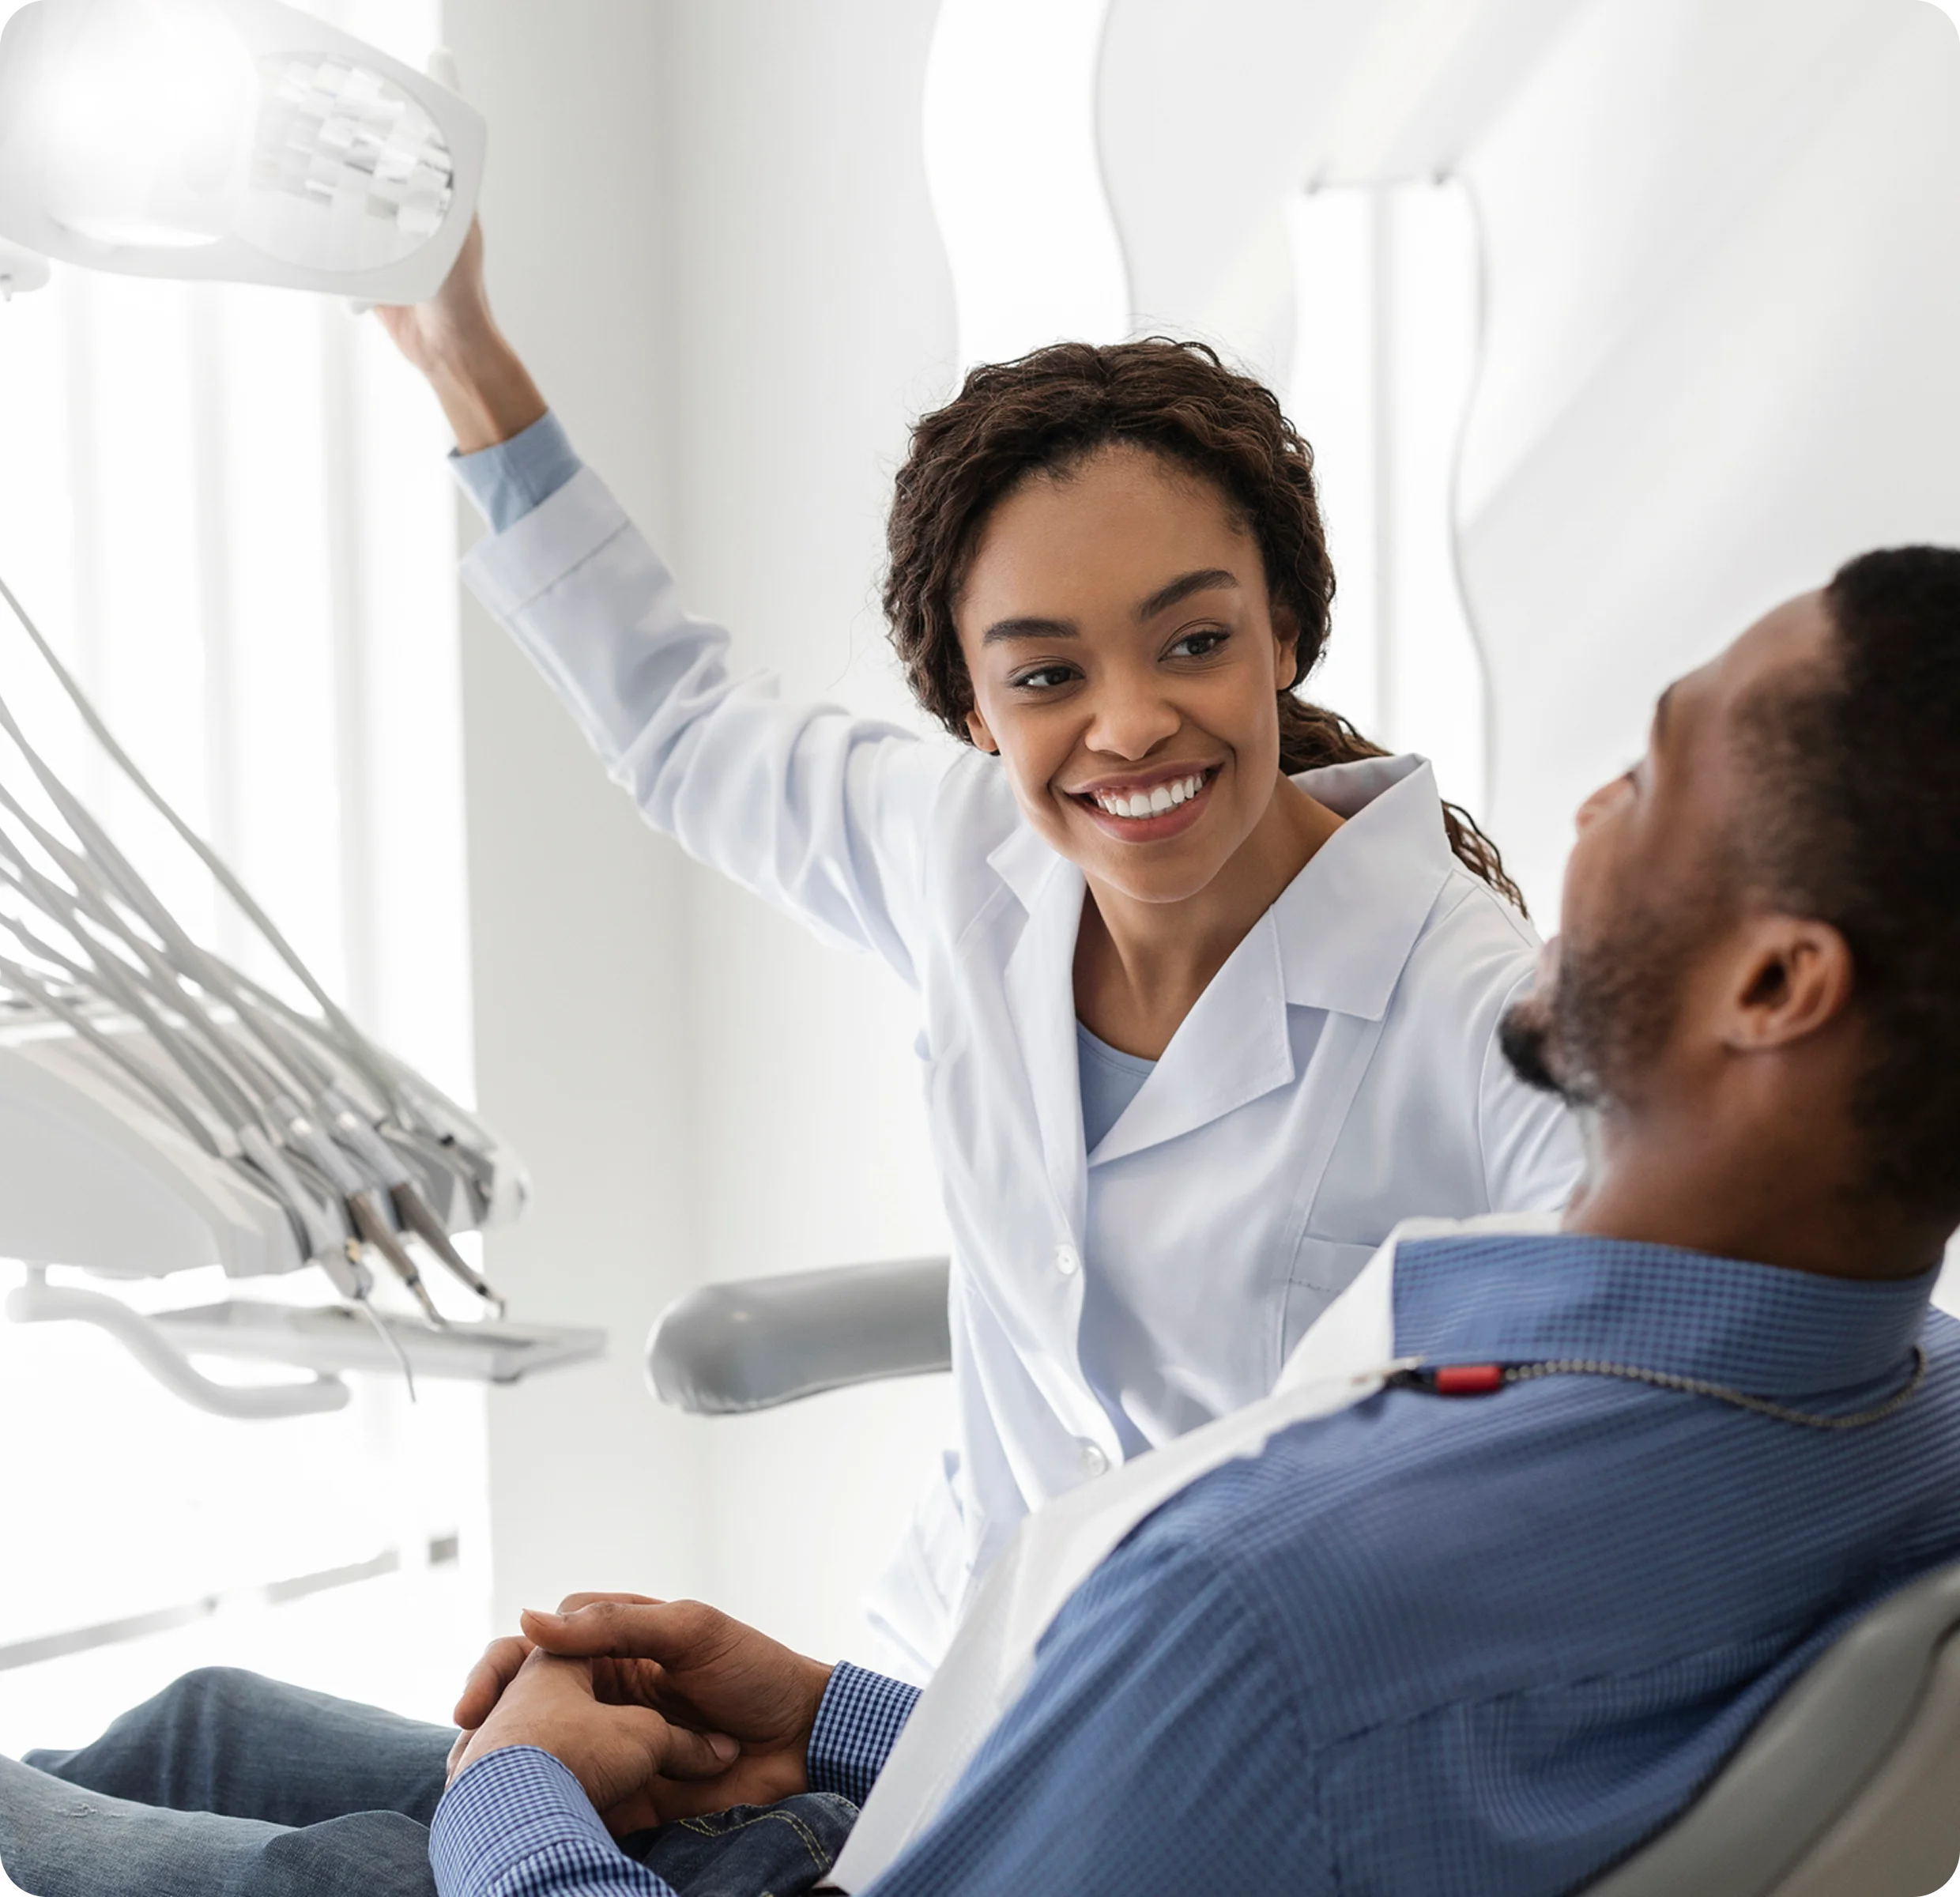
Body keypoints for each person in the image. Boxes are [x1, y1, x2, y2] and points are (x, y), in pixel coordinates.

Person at [6, 548, 1958, 1897]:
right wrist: (836, 1716)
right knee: (198, 1718)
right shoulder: (1906, 1413)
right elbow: (1282, 1779)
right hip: (919, 1811)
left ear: (1776, 989)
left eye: (1660, 761)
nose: (1592, 808)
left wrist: (513, 1805)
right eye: (1040, 671)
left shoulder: (1285, 1581)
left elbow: (1271, 1688)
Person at [379, 227, 1577, 1674]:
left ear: (1284, 635)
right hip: (948, 1676)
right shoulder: (971, 859)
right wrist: (460, 350)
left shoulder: (1471, 996)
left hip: (1245, 1729)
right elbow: (684, 729)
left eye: (1192, 642)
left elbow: (1669, 1329)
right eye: (1048, 675)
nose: (1129, 724)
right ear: (973, 707)